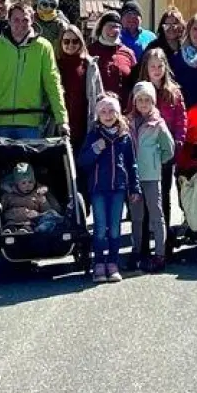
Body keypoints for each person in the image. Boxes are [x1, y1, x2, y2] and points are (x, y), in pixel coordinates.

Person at [0, 3, 66, 140]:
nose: (21, 24)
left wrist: (62, 120)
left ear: (32, 21)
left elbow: (52, 84)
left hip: (31, 123)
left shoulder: (43, 47)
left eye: (25, 20)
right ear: (9, 21)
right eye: (16, 20)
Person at [78, 94, 139, 283]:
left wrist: (134, 188)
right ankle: (98, 263)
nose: (108, 114)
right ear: (98, 115)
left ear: (118, 113)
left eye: (111, 110)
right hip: (98, 189)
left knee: (114, 228)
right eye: (103, 111)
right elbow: (82, 162)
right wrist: (96, 149)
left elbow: (132, 164)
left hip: (118, 188)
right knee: (100, 229)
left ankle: (112, 263)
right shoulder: (93, 135)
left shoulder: (124, 136)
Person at [128, 81, 176, 271]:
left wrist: (157, 160)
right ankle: (137, 250)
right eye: (140, 100)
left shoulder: (158, 123)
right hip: (133, 176)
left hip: (151, 175)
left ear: (153, 102)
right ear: (135, 101)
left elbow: (169, 149)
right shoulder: (128, 121)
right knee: (136, 216)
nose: (143, 104)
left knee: (156, 214)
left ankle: (160, 253)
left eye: (147, 100)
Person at [136, 47, 187, 212]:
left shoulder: (174, 92)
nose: (156, 70)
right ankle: (146, 228)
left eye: (160, 66)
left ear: (165, 67)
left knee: (164, 191)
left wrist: (179, 139)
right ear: (146, 68)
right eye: (153, 66)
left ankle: (164, 230)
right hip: (146, 150)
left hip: (166, 148)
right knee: (147, 192)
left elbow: (181, 118)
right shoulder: (139, 90)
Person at [52, 23, 102, 156]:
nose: (70, 45)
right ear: (61, 43)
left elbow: (99, 94)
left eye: (75, 41)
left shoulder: (89, 65)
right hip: (59, 125)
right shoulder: (54, 65)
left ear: (81, 42)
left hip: (84, 124)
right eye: (66, 41)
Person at [88, 12, 137, 105]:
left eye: (117, 27)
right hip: (98, 110)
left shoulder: (128, 53)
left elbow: (136, 80)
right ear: (101, 28)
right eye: (109, 26)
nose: (114, 30)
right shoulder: (90, 52)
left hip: (124, 110)